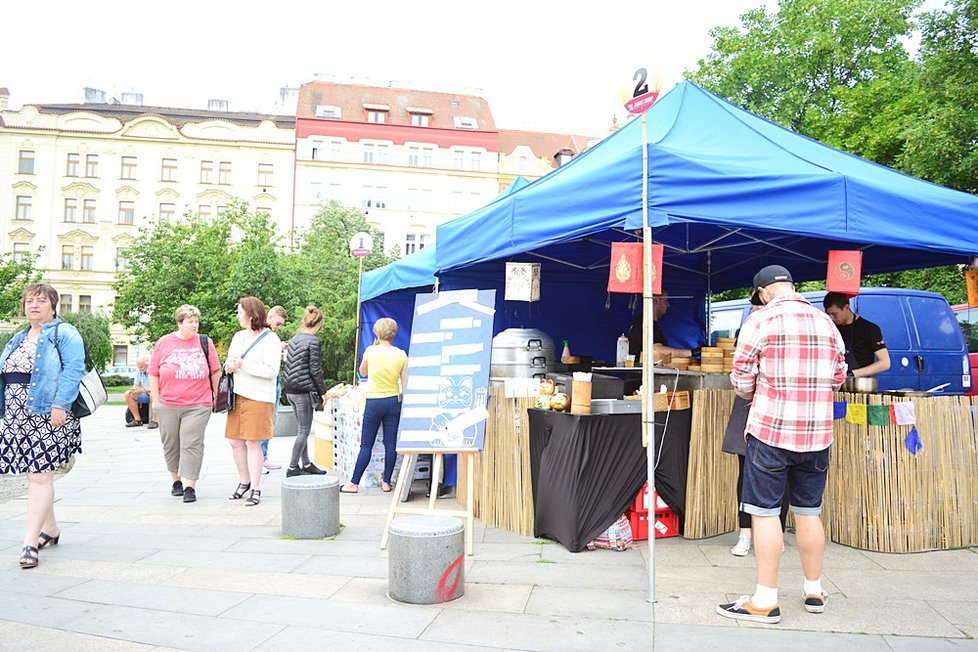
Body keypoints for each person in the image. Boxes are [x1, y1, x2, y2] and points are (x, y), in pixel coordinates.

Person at [717, 265, 846, 624]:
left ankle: (765, 599)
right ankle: (814, 590)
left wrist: (755, 390)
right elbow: (839, 376)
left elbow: (742, 380)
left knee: (764, 512)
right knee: (809, 511)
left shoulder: (759, 322)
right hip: (817, 434)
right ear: (792, 286)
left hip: (771, 431)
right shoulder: (826, 323)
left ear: (761, 292)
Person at [0, 284, 85, 569]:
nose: (34, 305)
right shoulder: (18, 338)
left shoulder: (65, 333)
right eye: (29, 301)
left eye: (40, 300)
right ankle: (50, 529)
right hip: (16, 416)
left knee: (39, 474)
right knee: (35, 474)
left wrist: (60, 404)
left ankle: (29, 542)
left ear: (53, 305)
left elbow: (74, 369)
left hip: (47, 413)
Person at [720, 300, 789, 556]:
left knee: (783, 475)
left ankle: (776, 536)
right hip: (748, 404)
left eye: (758, 306)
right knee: (746, 472)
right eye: (753, 307)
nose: (755, 312)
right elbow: (740, 370)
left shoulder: (784, 328)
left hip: (778, 406)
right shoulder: (750, 328)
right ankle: (745, 534)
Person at [148, 305, 221, 503]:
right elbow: (153, 372)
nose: (195, 325)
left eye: (196, 321)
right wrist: (155, 400)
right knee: (171, 443)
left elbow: (215, 370)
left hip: (198, 403)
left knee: (192, 443)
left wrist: (216, 395)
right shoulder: (164, 343)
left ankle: (190, 486)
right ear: (180, 323)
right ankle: (176, 481)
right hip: (167, 403)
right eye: (190, 321)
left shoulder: (205, 342)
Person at [224, 297, 282, 507]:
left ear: (251, 314)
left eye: (240, 311)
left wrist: (243, 364)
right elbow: (231, 361)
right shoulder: (238, 337)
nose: (238, 315)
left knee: (252, 442)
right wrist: (229, 366)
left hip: (259, 397)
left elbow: (271, 371)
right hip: (237, 394)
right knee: (235, 441)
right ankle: (244, 481)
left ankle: (256, 487)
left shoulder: (270, 340)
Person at [341, 317, 407, 494]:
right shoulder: (401, 354)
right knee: (390, 444)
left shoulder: (371, 351)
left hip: (374, 401)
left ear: (377, 334)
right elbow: (404, 383)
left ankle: (353, 483)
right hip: (393, 401)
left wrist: (373, 347)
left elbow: (362, 372)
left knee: (366, 445)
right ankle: (386, 483)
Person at [283, 306, 328, 477]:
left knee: (302, 428)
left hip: (291, 390)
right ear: (319, 324)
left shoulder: (295, 339)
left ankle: (306, 463)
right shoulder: (313, 341)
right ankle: (293, 467)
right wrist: (322, 392)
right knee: (304, 430)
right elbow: (315, 370)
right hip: (303, 391)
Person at [822, 292, 890, 378]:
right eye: (829, 314)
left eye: (835, 314)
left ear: (846, 307)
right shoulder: (832, 330)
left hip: (861, 385)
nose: (831, 318)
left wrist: (852, 374)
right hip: (837, 384)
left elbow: (885, 363)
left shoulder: (870, 329)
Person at [627, 291, 695, 363]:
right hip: (641, 373)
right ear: (656, 300)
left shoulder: (650, 323)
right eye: (665, 301)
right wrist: (690, 353)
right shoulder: (645, 324)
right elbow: (657, 350)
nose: (668, 305)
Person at [260, 305, 288, 472]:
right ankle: (259, 458)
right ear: (269, 317)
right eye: (277, 323)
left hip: (274, 381)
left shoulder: (269, 336)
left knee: (271, 420)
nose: (278, 328)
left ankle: (263, 456)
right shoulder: (263, 335)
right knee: (265, 421)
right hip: (266, 384)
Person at [124, 357, 151, 427]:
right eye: (138, 367)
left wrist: (142, 390)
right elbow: (136, 385)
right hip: (144, 393)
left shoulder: (153, 370)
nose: (140, 369)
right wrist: (134, 391)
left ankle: (154, 420)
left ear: (148, 364)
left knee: (152, 395)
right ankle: (137, 420)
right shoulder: (139, 370)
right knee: (128, 394)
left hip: (153, 394)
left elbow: (155, 388)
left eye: (141, 367)